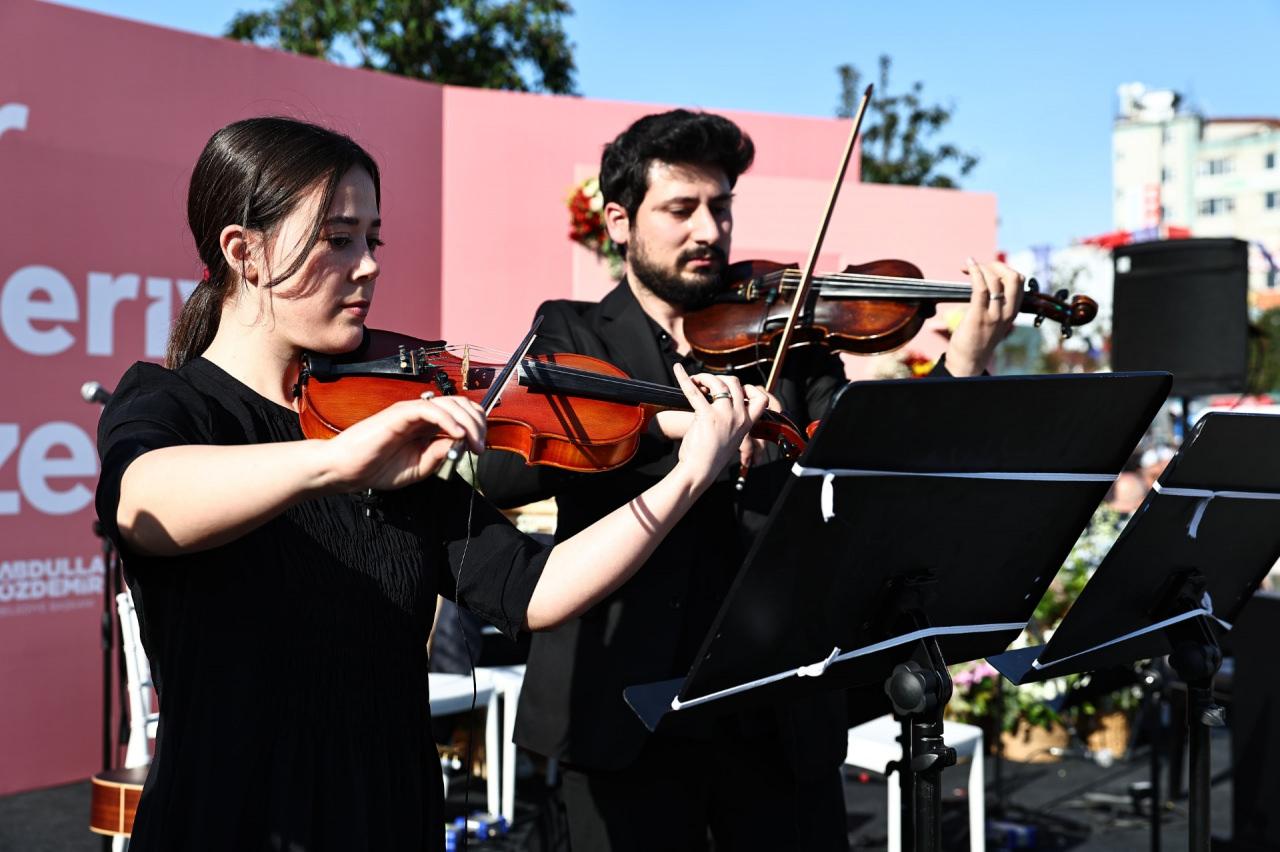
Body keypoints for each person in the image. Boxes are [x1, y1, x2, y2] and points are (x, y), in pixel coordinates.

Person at [93, 116, 765, 852]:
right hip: (235, 820)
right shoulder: (174, 403)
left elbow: (533, 590)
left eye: (372, 240)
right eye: (338, 239)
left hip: (389, 815)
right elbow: (142, 504)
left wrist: (690, 475)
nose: (369, 265)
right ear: (243, 253)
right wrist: (337, 464)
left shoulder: (383, 417)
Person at [476, 109, 1026, 851]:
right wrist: (671, 425)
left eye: (721, 206)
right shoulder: (573, 333)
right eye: (681, 209)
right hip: (622, 708)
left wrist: (960, 367)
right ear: (618, 220)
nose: (709, 230)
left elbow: (874, 464)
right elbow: (502, 469)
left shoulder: (789, 337)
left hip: (776, 709)